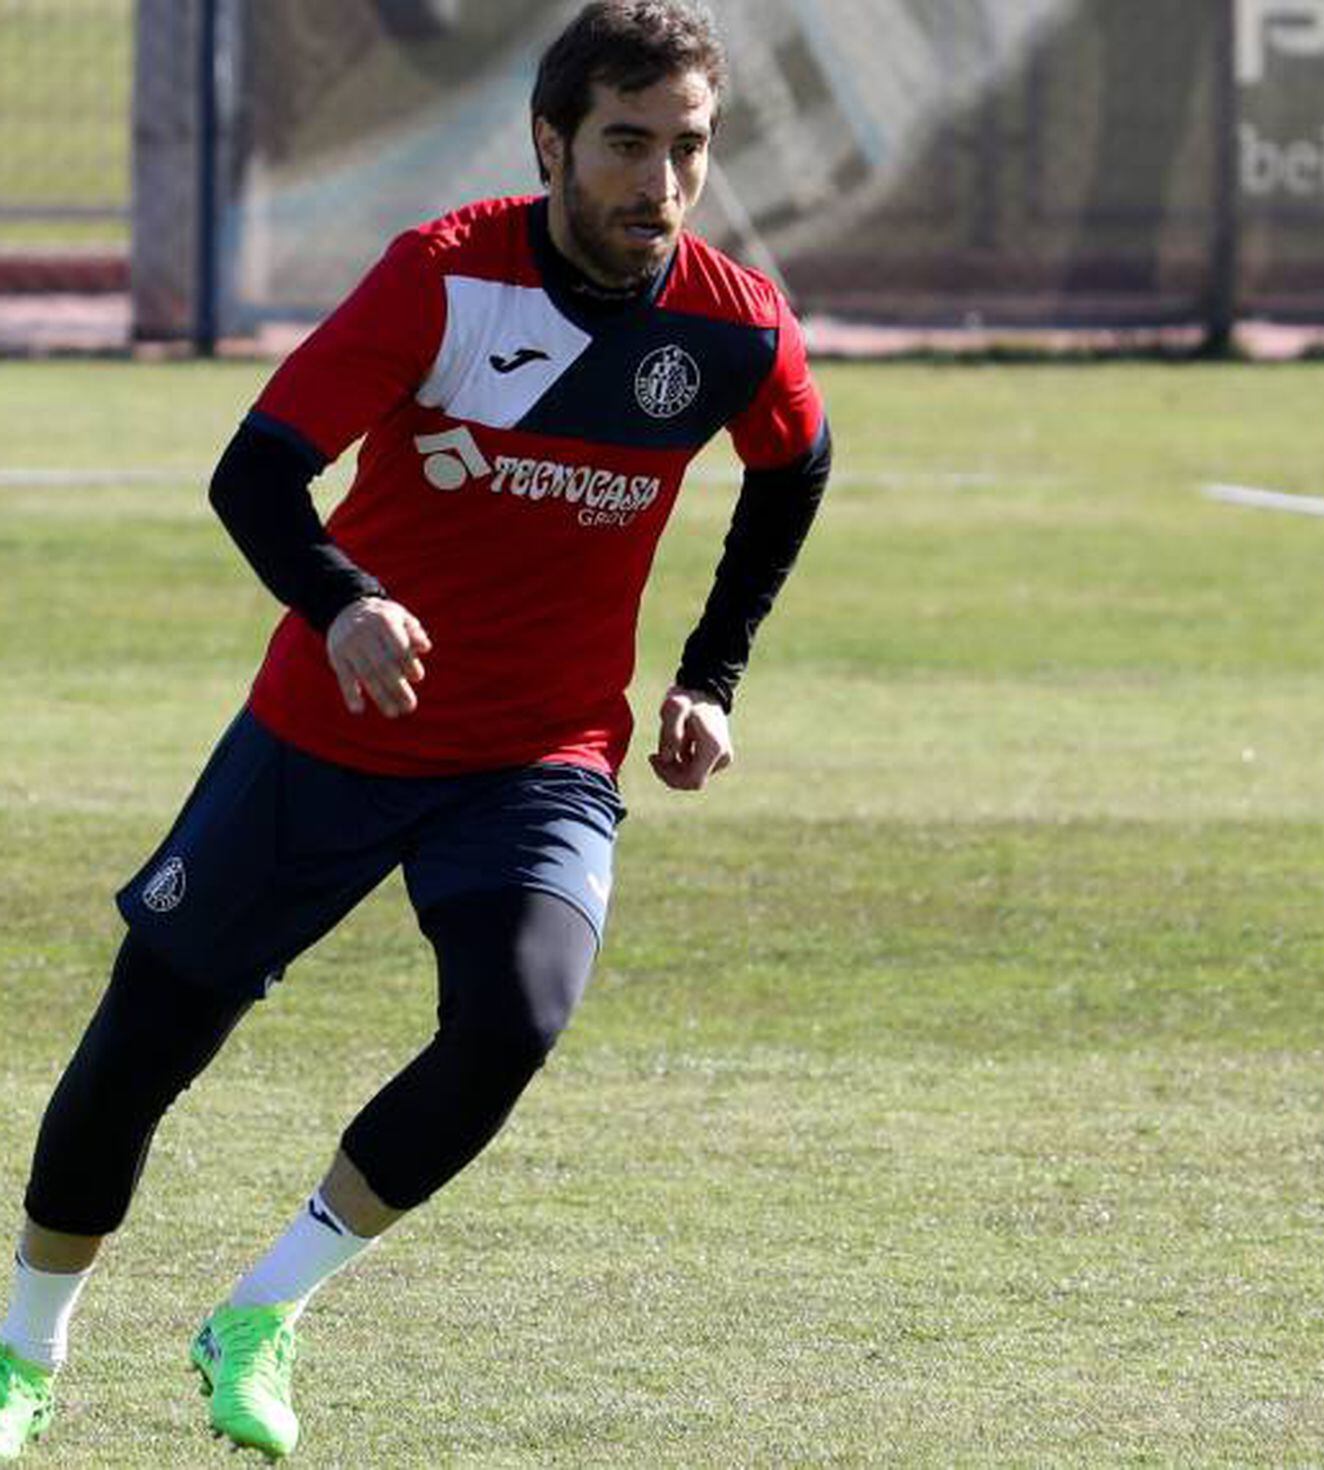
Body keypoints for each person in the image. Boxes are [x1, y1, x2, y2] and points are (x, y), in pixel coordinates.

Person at [0, 1, 830, 1458]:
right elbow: (255, 475)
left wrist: (715, 671)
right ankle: (23, 1352)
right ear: (552, 142)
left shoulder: (730, 321)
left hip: (540, 758)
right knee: (144, 1042)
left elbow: (796, 463)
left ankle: (259, 1314)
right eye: (627, 145)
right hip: (326, 737)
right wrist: (340, 601)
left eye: (688, 148)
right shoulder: (443, 279)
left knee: (517, 1016)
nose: (660, 183)